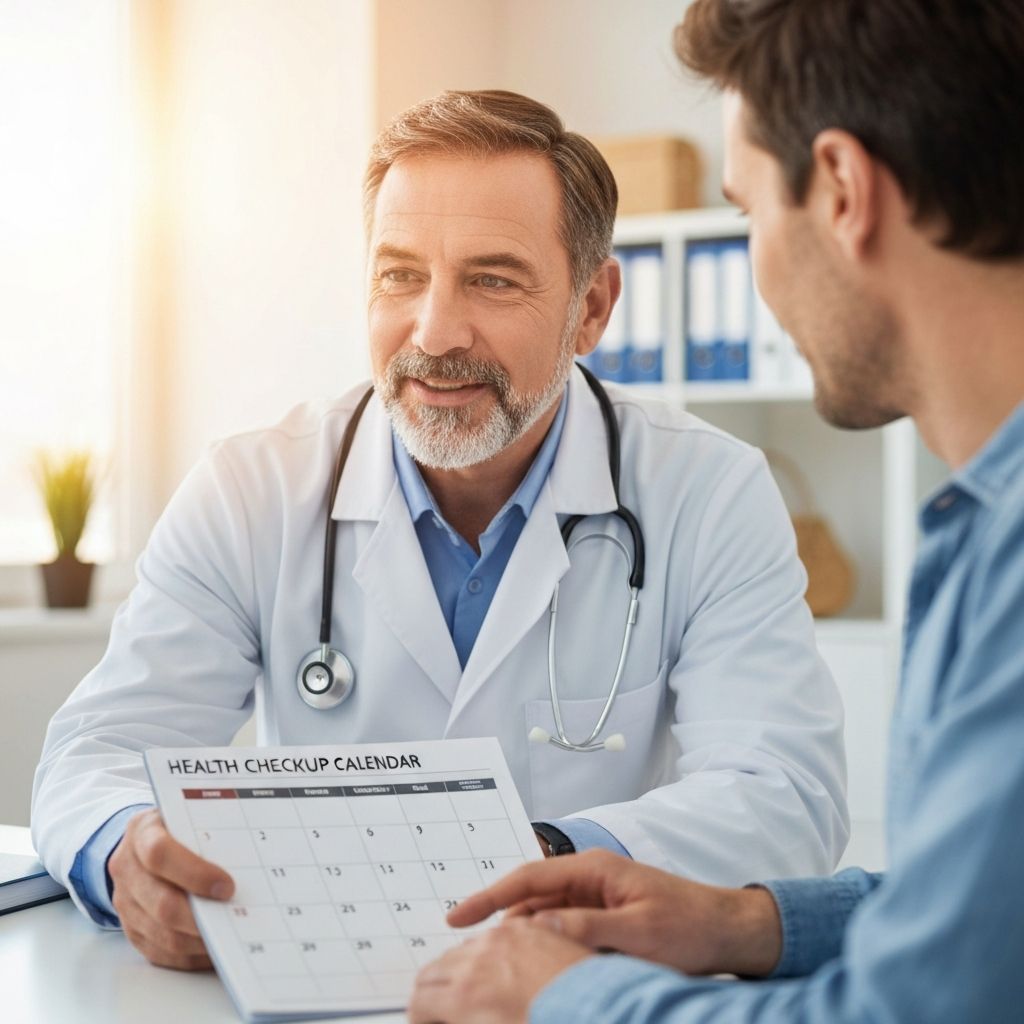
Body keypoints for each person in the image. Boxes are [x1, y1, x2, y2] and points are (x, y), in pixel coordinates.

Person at [32, 89, 847, 971]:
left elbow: (786, 798)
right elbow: (93, 755)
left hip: (576, 985)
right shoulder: (250, 488)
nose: (435, 331)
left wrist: (546, 860)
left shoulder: (707, 490)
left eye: (493, 279)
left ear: (593, 308)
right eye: (400, 275)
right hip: (314, 972)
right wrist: (123, 852)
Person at [405, 2, 1024, 1021]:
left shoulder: (1006, 559)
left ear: (840, 189)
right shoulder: (985, 523)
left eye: (745, 214)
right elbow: (981, 925)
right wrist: (751, 922)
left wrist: (567, 997)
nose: (757, 272)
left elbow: (909, 1011)